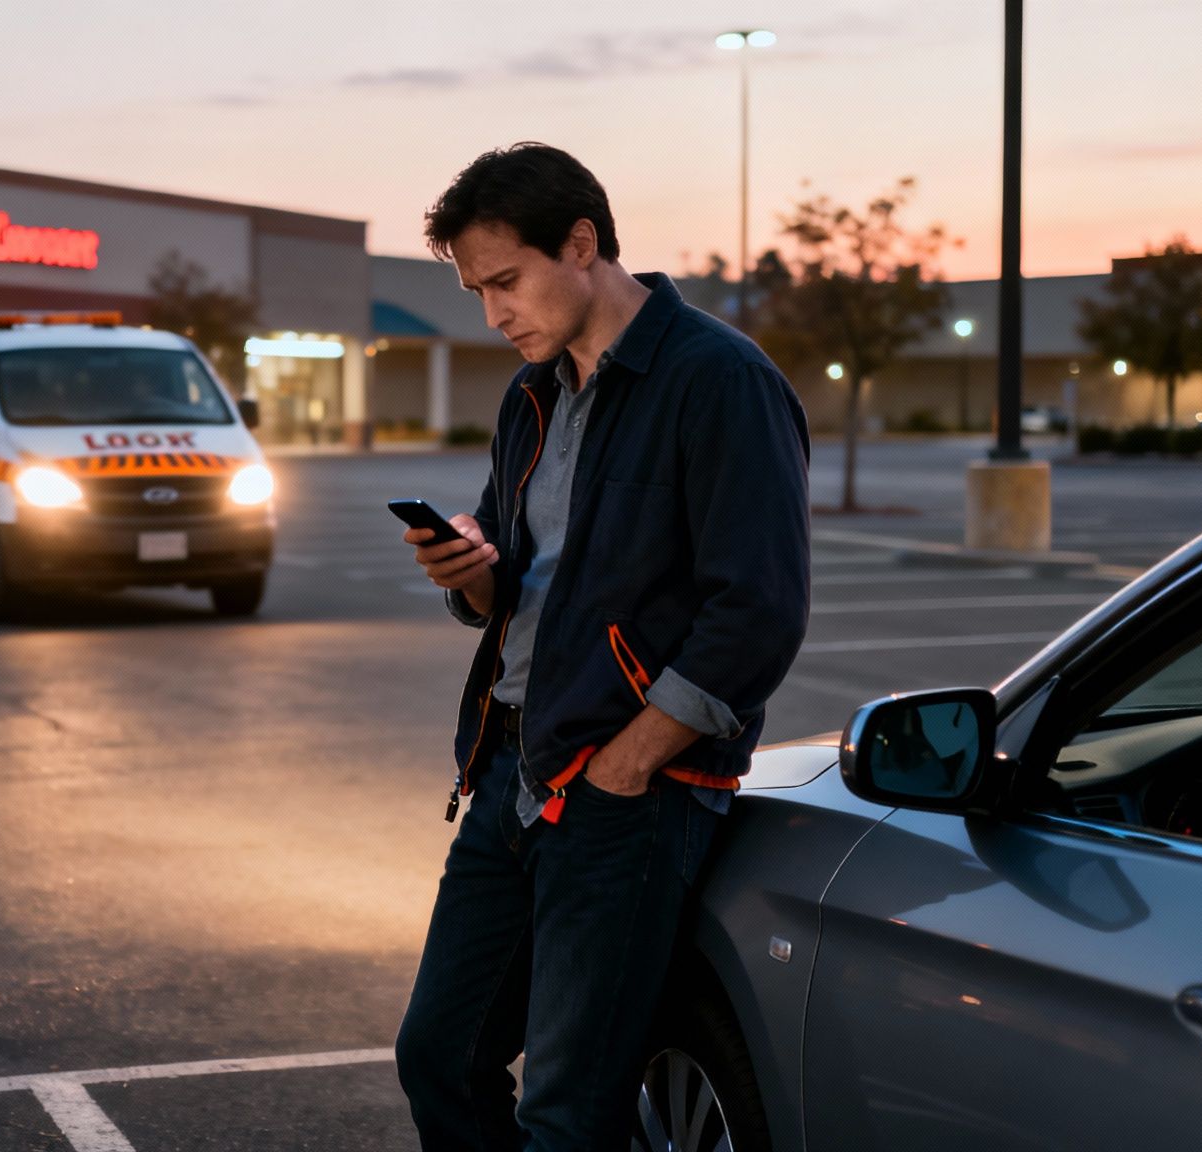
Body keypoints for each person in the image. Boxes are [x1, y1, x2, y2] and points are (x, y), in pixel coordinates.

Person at [393, 142, 812, 1151]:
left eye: (505, 281)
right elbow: (519, 580)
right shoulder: (530, 394)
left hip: (622, 797)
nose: (492, 312)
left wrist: (629, 764)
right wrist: (471, 574)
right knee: (438, 1057)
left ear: (580, 244)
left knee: (568, 1108)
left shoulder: (715, 381)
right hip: (508, 769)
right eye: (474, 290)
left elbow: (757, 607)